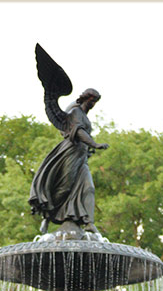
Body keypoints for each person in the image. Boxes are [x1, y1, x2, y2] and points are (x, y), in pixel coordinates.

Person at [29, 85, 107, 234]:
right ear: (86, 99)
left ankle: (89, 223)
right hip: (70, 153)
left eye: (95, 102)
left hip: (82, 157)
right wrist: (94, 144)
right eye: (92, 100)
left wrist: (89, 149)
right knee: (65, 187)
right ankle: (47, 215)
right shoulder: (76, 112)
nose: (93, 104)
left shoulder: (85, 115)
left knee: (89, 187)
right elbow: (79, 132)